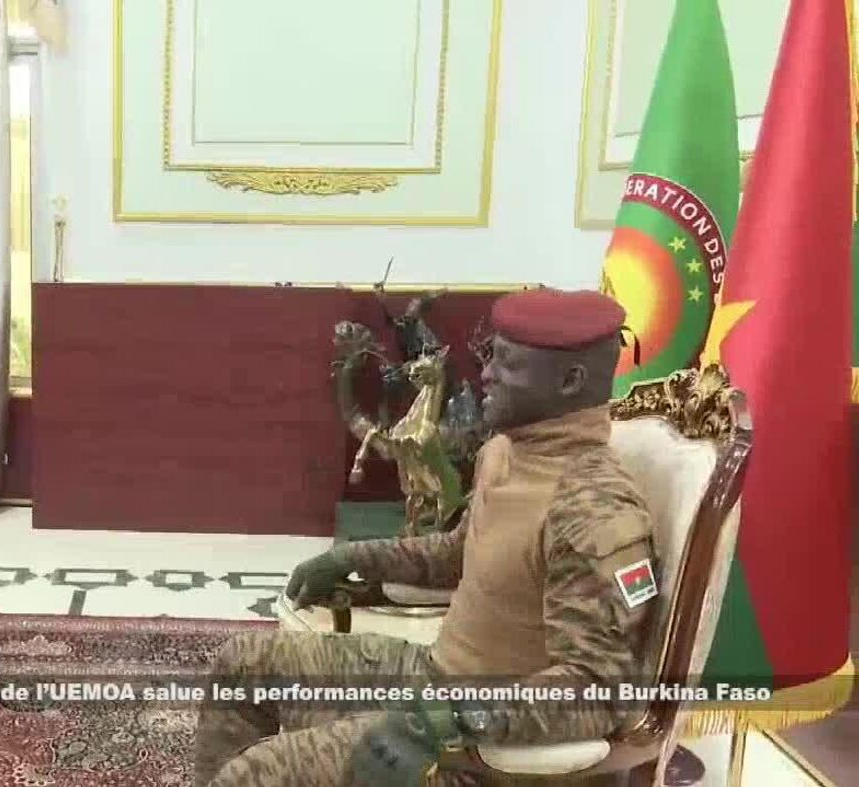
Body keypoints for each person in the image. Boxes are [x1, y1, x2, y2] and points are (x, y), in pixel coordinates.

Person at [193, 289, 660, 786]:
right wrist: (355, 558)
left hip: (488, 755)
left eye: (507, 364)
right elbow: (457, 555)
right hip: (437, 680)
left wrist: (446, 720)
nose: (485, 375)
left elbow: (596, 691)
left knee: (253, 776)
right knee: (243, 666)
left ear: (570, 381)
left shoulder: (593, 510)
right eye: (491, 357)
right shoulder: (506, 451)